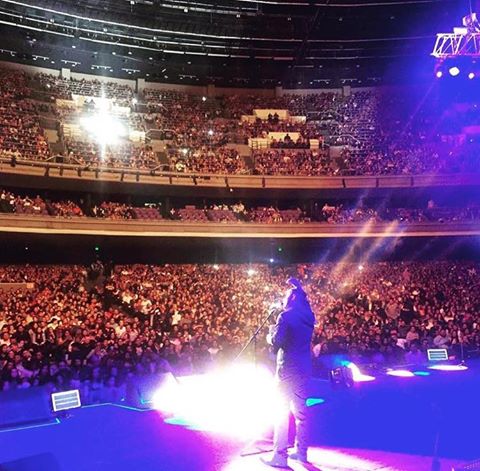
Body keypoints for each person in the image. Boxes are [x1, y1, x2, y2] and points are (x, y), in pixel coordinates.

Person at [261, 278, 315, 468]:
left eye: (286, 296)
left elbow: (277, 343)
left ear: (291, 298)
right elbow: (303, 298)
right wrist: (298, 288)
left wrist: (270, 333)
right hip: (304, 368)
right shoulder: (309, 316)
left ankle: (280, 456)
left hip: (287, 369)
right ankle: (301, 453)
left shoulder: (285, 317)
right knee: (302, 414)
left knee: (281, 411)